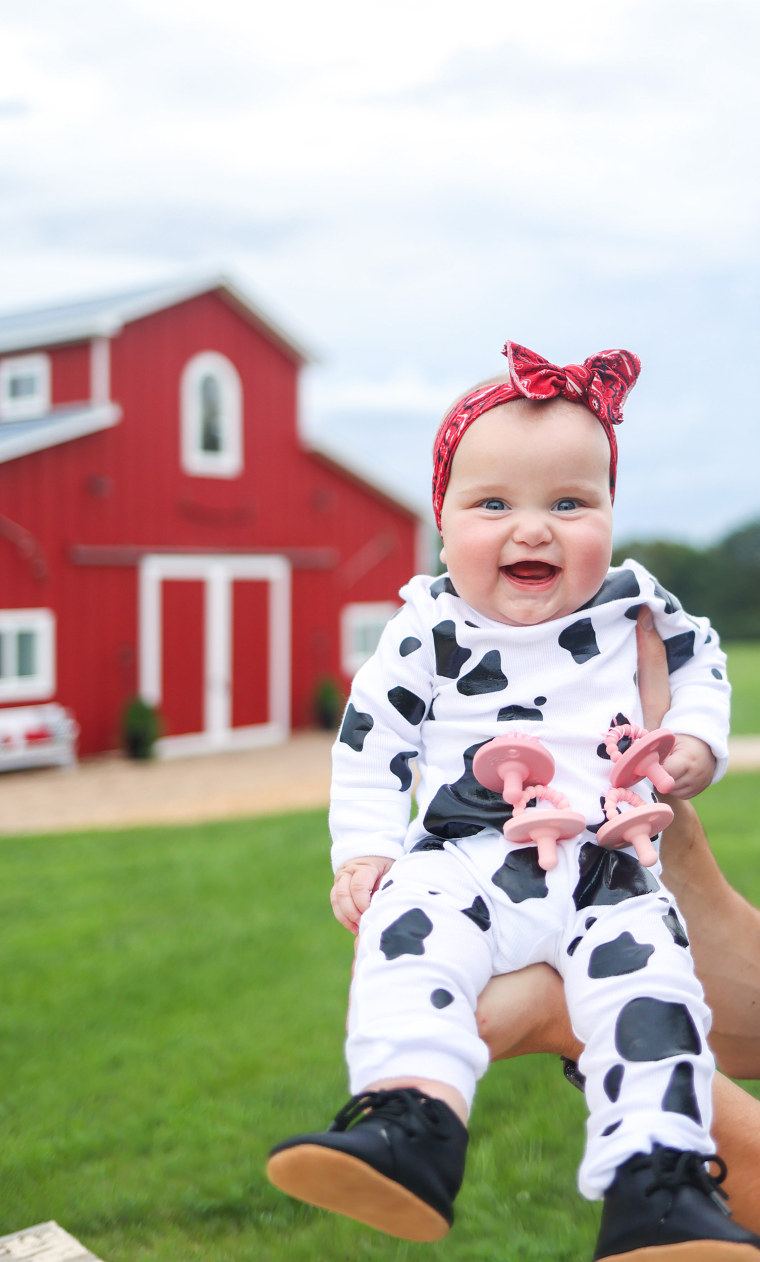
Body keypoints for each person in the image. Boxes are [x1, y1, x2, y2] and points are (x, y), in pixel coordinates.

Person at [267, 343, 760, 1258]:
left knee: (653, 995)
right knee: (404, 948)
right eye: (493, 505)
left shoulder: (630, 604)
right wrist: (367, 853)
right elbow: (371, 742)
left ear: (611, 515)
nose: (533, 530)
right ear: (441, 523)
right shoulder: (429, 627)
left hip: (610, 865)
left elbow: (701, 663)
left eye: (570, 504)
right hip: (463, 860)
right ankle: (409, 1120)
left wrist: (691, 740)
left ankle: (660, 1181)